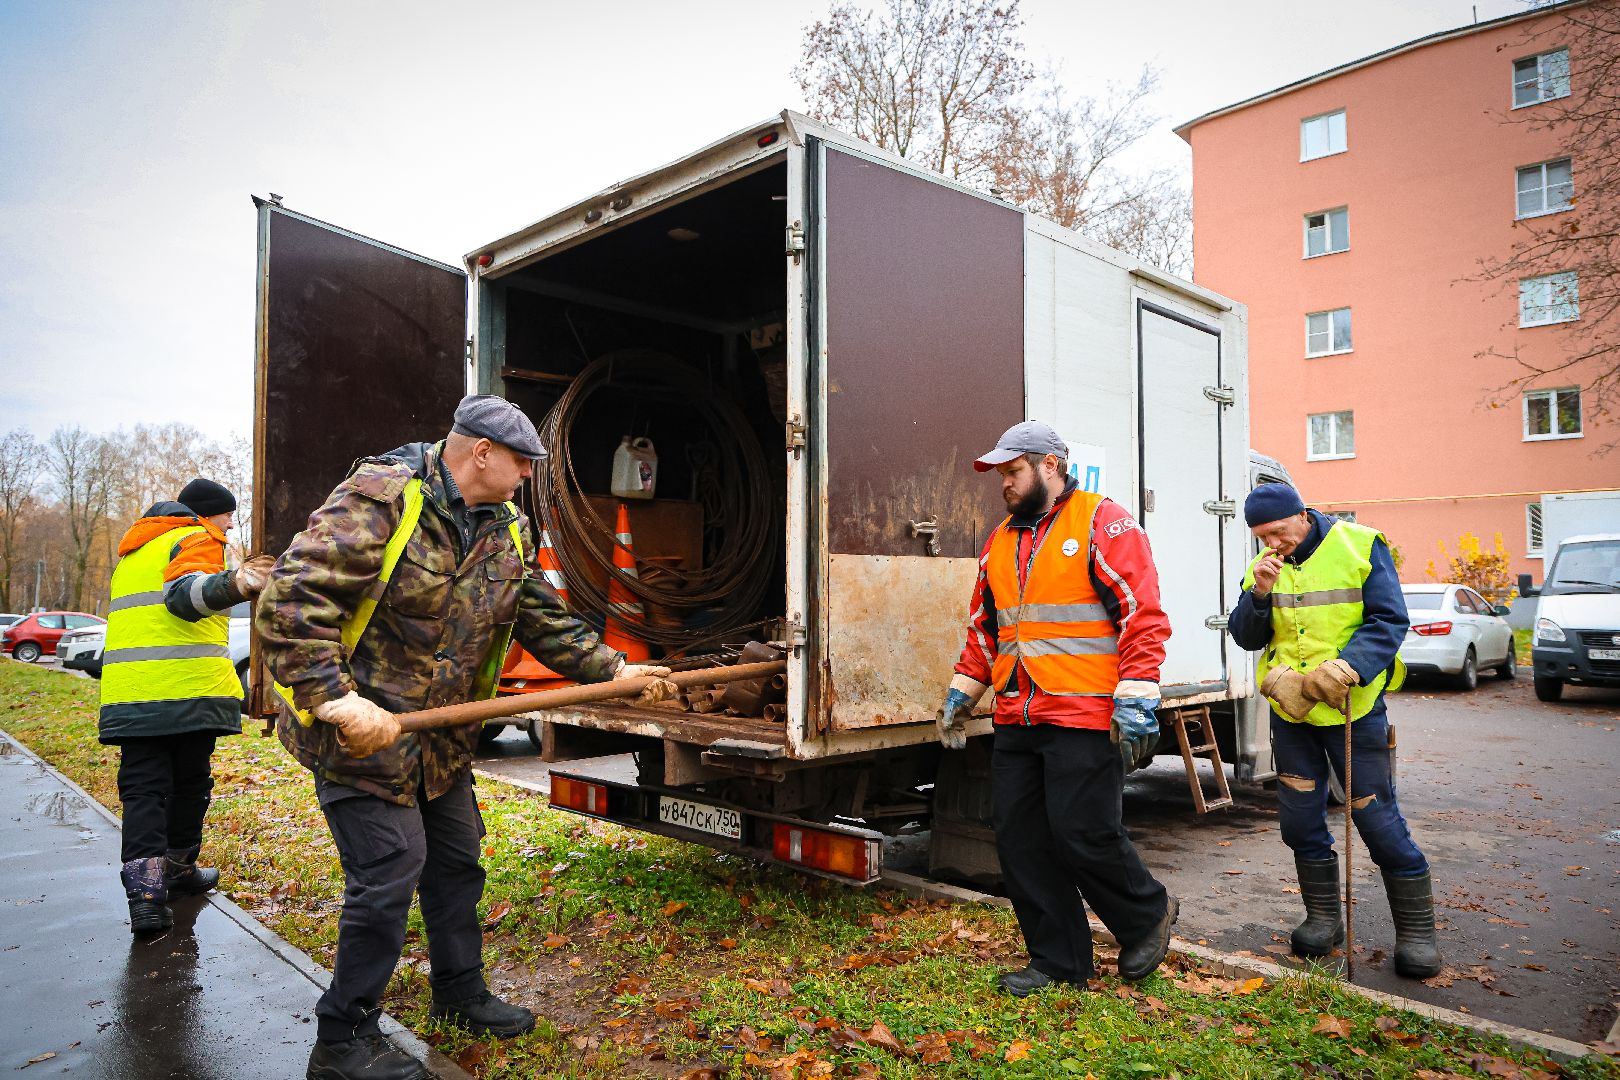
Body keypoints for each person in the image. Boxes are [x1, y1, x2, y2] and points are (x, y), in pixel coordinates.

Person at [257, 395, 674, 1080]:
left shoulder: (506, 528)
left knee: (456, 864)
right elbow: (293, 601)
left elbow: (539, 615)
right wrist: (335, 700)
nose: (527, 477)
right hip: (364, 738)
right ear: (481, 452)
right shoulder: (382, 501)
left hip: (441, 744)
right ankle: (341, 1040)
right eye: (521, 463)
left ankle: (459, 993)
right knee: (388, 874)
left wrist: (616, 671)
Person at [937, 420, 1177, 996]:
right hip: (1018, 713)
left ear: (1050, 465)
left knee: (1082, 832)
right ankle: (1059, 961)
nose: (1004, 483)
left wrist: (1137, 696)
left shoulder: (1102, 521)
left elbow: (1140, 614)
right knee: (1019, 842)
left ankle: (1146, 916)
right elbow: (986, 627)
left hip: (1083, 714)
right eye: (1001, 474)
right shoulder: (1000, 541)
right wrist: (963, 691)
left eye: (1013, 471)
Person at [1228, 483, 1440, 978]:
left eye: (1278, 532)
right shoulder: (1263, 566)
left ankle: (1416, 934)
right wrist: (1259, 594)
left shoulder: (1360, 545)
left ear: (1302, 515)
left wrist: (1349, 666)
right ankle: (1323, 920)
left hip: (1353, 711)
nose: (1272, 544)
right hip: (1293, 715)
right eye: (1262, 537)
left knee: (1375, 819)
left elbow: (1390, 620)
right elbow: (1246, 637)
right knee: (1299, 822)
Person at [98, 478, 272, 934]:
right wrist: (236, 582)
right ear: (206, 513)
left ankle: (146, 897)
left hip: (131, 693)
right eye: (227, 515)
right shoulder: (196, 536)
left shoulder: (136, 551)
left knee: (143, 791)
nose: (230, 525)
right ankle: (176, 871)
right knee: (189, 786)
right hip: (185, 692)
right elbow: (183, 596)